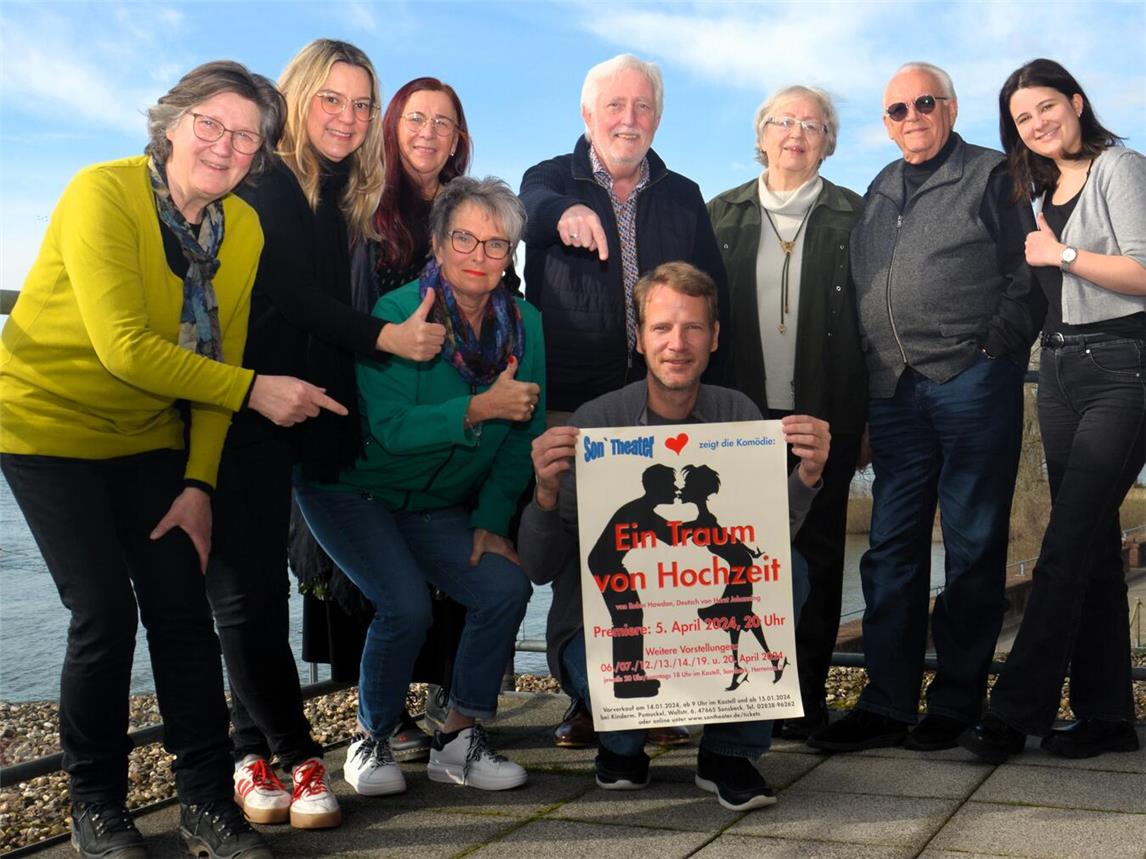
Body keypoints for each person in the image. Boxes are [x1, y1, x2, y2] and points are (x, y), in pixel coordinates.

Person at [0, 61, 341, 859]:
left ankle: (207, 803)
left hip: (149, 435)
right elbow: (125, 348)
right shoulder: (101, 193)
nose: (226, 145)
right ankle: (96, 806)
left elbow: (216, 363)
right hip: (44, 427)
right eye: (210, 123)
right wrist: (256, 389)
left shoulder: (242, 229)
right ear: (171, 123)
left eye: (247, 137)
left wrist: (197, 481)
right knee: (103, 612)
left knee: (183, 611)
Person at [207, 40, 445, 831]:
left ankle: (255, 748)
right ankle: (267, 751)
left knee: (260, 591)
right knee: (247, 595)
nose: (348, 117)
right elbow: (290, 295)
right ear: (298, 97)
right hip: (245, 406)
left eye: (361, 104)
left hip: (305, 412)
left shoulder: (342, 189)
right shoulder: (267, 178)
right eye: (332, 99)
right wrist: (387, 339)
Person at [519, 261, 830, 810]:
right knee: (623, 694)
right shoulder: (594, 423)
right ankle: (619, 745)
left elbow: (763, 543)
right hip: (603, 630)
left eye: (693, 327)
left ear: (715, 337)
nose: (677, 344)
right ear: (639, 338)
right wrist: (544, 493)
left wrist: (806, 476)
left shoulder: (737, 414)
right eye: (662, 327)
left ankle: (729, 754)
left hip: (691, 625)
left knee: (794, 570)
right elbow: (541, 568)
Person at [809, 62, 1044, 755]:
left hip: (971, 384)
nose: (911, 117)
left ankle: (956, 704)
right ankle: (886, 704)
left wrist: (994, 351)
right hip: (893, 394)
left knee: (971, 549)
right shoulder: (878, 189)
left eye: (924, 103)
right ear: (885, 124)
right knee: (891, 551)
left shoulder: (993, 174)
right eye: (897, 110)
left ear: (950, 107)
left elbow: (1029, 269)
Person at [294, 176, 543, 795]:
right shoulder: (399, 313)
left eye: (496, 243)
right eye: (464, 238)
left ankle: (458, 738)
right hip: (349, 489)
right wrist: (478, 409)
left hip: (433, 503)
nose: (479, 255)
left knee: (504, 587)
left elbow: (524, 435)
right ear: (436, 242)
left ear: (510, 255)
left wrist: (490, 520)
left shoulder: (528, 325)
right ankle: (371, 737)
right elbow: (391, 430)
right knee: (404, 605)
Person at [520, 52, 726, 748]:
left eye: (642, 107)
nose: (628, 119)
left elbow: (715, 297)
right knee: (583, 554)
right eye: (614, 106)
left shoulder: (684, 194)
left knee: (658, 554)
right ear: (588, 115)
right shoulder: (551, 177)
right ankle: (586, 695)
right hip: (575, 403)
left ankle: (660, 688)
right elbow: (529, 211)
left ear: (658, 118)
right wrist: (567, 211)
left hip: (663, 403)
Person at [960, 59, 1146, 763]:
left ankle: (1012, 714)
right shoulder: (1041, 190)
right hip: (1060, 372)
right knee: (1092, 550)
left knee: (1063, 547)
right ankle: (1107, 716)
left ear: (1076, 101)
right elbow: (1030, 288)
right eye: (1022, 118)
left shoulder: (1120, 167)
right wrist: (989, 350)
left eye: (1046, 107)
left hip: (1122, 368)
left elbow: (1144, 270)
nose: (1037, 124)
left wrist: (1062, 253)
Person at [289, 75, 474, 765]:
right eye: (415, 118)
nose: (429, 133)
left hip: (447, 410)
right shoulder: (361, 202)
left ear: (458, 140)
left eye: (444, 123)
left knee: (447, 559)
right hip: (368, 401)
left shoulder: (469, 207)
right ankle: (384, 718)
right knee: (379, 569)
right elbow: (339, 305)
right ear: (391, 127)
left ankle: (447, 698)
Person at [707, 85, 865, 737]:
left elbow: (871, 325)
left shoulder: (857, 215)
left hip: (823, 416)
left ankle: (804, 699)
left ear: (829, 142)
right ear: (761, 135)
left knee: (819, 557)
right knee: (738, 559)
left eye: (812, 124)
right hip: (739, 417)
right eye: (783, 121)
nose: (796, 133)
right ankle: (740, 697)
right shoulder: (720, 214)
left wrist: (864, 423)